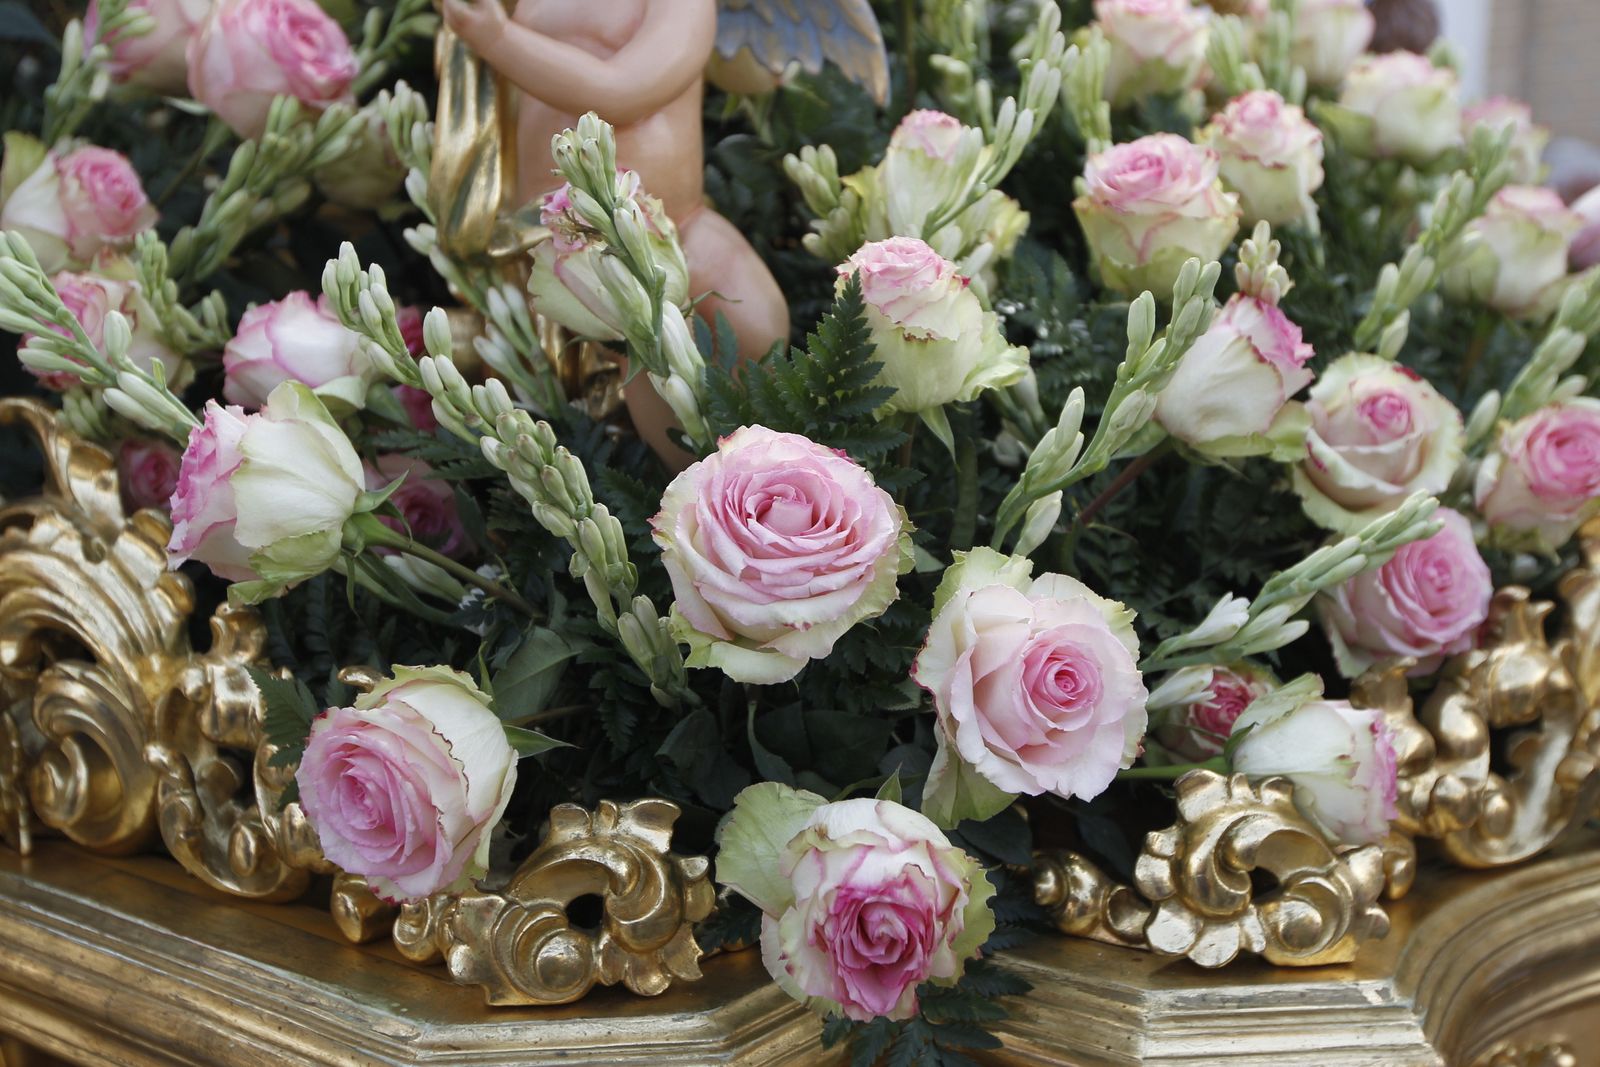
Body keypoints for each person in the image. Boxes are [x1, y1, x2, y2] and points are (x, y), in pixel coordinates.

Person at [440, 0, 791, 463]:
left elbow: (624, 91)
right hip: (565, 233)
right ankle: (684, 476)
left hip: (671, 220)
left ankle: (764, 454)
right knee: (646, 339)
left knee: (756, 319)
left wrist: (498, 39)